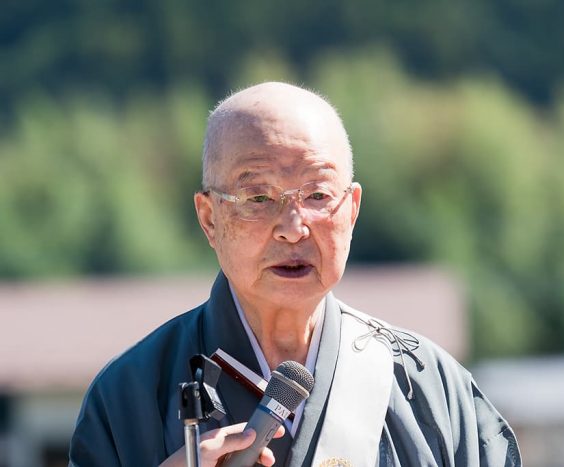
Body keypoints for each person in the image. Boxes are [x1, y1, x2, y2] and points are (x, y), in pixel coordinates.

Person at [69, 82, 521, 467]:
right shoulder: (130, 394)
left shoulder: (429, 386)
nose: (293, 227)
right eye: (258, 197)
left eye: (319, 194)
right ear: (209, 219)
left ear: (353, 209)